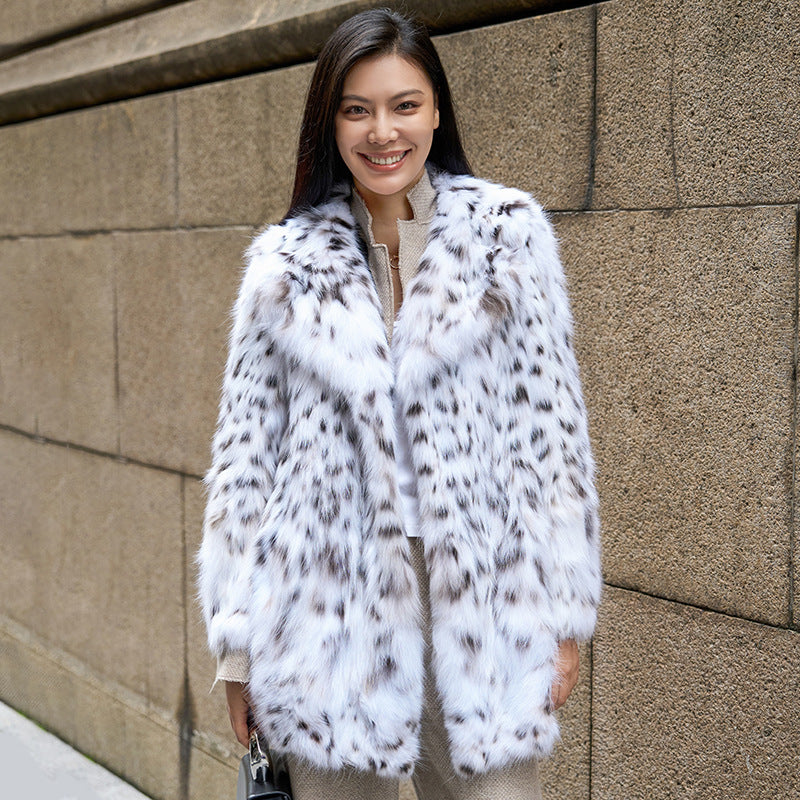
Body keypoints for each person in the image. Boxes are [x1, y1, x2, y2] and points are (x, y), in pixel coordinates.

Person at [197, 8, 602, 800]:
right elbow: (246, 465)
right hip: (324, 619)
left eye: (404, 105)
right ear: (332, 122)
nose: (383, 131)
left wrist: (565, 619)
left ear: (437, 111)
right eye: (358, 109)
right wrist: (237, 656)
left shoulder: (507, 240)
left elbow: (553, 439)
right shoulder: (283, 267)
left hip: (485, 604)